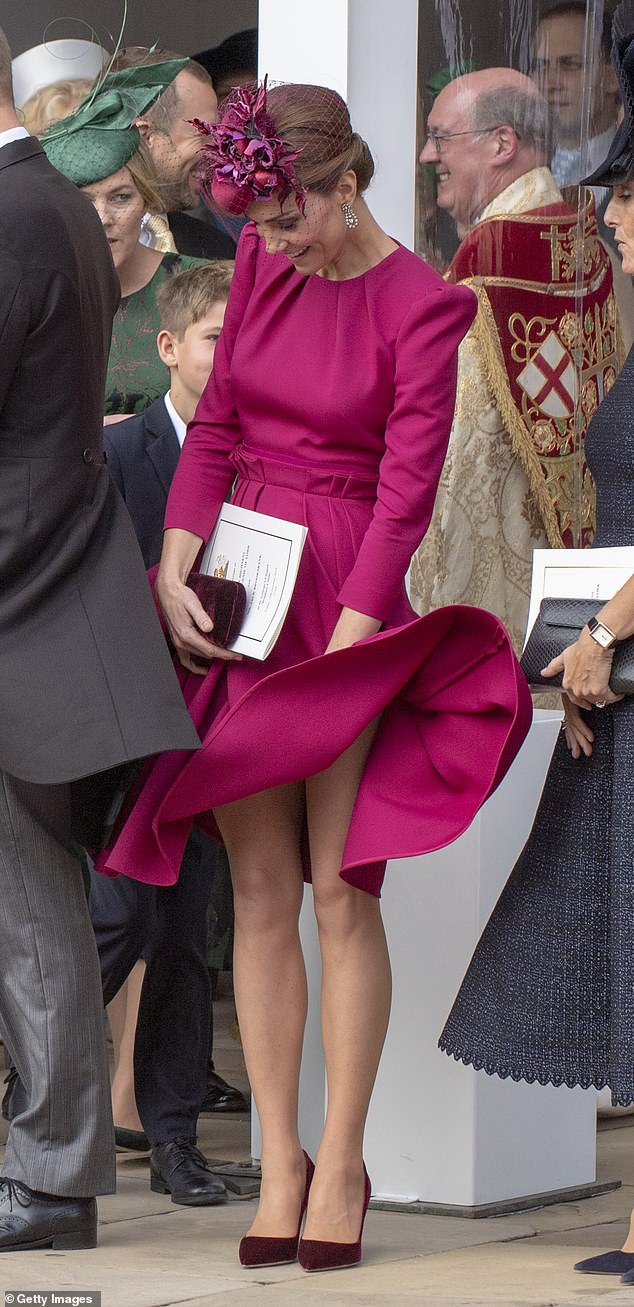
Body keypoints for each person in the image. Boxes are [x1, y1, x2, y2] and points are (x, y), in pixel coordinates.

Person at [96, 79, 531, 1271]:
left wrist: (350, 648)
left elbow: (405, 494)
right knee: (257, 892)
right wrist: (177, 560)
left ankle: (342, 1155)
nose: (274, 245)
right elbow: (221, 424)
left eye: (293, 219)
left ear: (350, 184)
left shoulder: (424, 304)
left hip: (346, 592)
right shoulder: (258, 269)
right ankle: (277, 1156)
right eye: (261, 227)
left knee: (342, 891)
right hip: (244, 579)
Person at [439, 31, 634, 1289]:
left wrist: (603, 640)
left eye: (633, 215)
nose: (615, 230)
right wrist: (576, 657)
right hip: (613, 678)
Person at [0, 25, 198, 1252]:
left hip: (19, 594)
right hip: (40, 589)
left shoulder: (19, 213)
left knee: (32, 910)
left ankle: (54, 1174)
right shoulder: (47, 205)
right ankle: (51, 1166)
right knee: (33, 907)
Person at [90, 262, 247, 1206]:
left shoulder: (261, 458)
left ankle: (177, 1137)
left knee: (190, 934)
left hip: (222, 735)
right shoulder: (119, 454)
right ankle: (41, 1101)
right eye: (214, 339)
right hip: (133, 729)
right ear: (168, 349)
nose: (229, 357)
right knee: (116, 922)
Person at [410, 68, 620, 653]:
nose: (429, 155)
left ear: (502, 144)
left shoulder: (495, 253)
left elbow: (454, 448)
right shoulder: (581, 240)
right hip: (581, 546)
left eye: (441, 138)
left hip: (501, 578)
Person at [40, 60, 210, 417]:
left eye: (121, 198)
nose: (103, 219)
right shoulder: (36, 295)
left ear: (145, 198)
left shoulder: (205, 285)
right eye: (83, 202)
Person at [110, 46, 236, 259]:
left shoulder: (216, 250)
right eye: (203, 134)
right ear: (145, 136)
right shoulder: (69, 244)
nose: (218, 152)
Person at [532, 3, 620, 190]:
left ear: (612, 77)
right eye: (541, 66)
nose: (550, 84)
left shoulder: (627, 167)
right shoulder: (517, 171)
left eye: (570, 65)